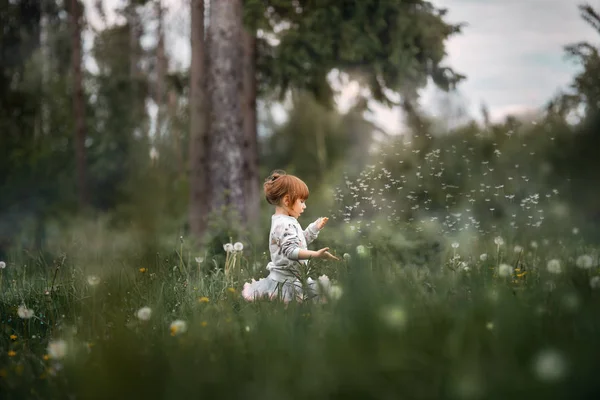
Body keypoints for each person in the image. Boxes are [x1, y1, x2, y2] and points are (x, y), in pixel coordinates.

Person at [242, 170, 339, 302]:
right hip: (286, 283)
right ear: (287, 200)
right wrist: (316, 254)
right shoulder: (283, 224)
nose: (304, 206)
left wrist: (314, 228)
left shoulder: (286, 220)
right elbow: (291, 252)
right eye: (302, 201)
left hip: (295, 278)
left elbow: (299, 242)